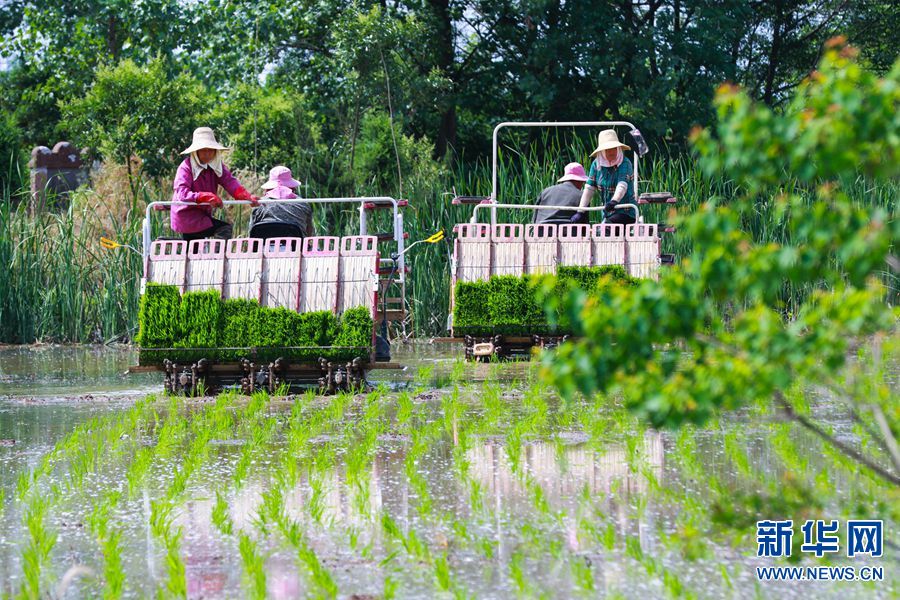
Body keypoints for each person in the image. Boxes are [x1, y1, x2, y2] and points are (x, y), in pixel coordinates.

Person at [170, 127, 259, 242]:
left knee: (193, 251)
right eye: (203, 150)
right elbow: (182, 194)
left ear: (215, 151)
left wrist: (247, 197)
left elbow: (230, 182)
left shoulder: (216, 166)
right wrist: (205, 197)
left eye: (210, 150)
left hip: (201, 215)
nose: (207, 154)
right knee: (224, 229)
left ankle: (164, 242)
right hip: (186, 214)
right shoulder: (186, 167)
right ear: (196, 151)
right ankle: (217, 257)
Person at [573, 129, 636, 225]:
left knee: (606, 228)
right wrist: (580, 211)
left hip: (626, 212)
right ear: (602, 151)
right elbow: (589, 188)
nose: (611, 152)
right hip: (607, 213)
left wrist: (614, 201)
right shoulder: (596, 164)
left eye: (614, 148)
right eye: (607, 150)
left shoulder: (624, 163)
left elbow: (622, 185)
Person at [249, 166, 313, 240]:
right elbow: (309, 233)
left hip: (264, 249)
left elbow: (251, 233)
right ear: (292, 186)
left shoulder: (259, 204)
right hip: (296, 249)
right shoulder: (303, 204)